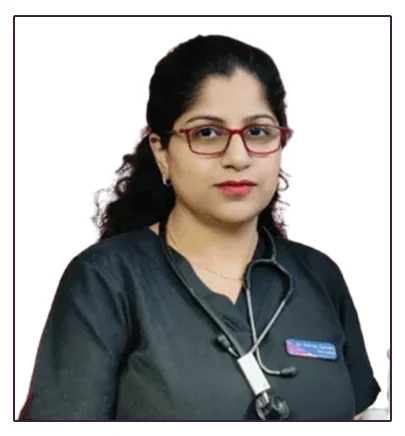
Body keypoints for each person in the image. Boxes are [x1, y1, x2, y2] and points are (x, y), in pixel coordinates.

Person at [19, 34, 381, 421]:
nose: (238, 157)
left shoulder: (319, 277)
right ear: (161, 151)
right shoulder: (105, 280)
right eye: (207, 133)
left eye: (258, 132)